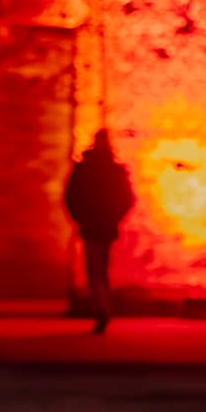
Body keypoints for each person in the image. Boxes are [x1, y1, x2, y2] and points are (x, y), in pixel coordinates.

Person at [63, 131, 134, 334]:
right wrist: (114, 217)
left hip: (93, 226)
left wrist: (81, 218)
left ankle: (102, 309)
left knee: (95, 270)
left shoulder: (86, 168)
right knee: (100, 269)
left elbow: (71, 196)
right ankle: (103, 307)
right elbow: (126, 198)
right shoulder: (113, 169)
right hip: (103, 226)